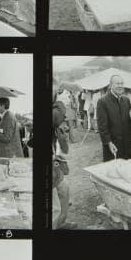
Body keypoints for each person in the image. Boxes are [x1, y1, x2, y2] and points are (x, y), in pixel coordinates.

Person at [96, 75, 131, 161]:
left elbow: (129, 123)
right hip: (113, 145)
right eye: (117, 83)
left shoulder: (126, 100)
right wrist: (108, 143)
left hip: (127, 145)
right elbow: (102, 126)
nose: (120, 86)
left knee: (128, 170)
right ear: (111, 85)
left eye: (122, 83)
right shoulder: (103, 102)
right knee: (113, 171)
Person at [52, 77, 72, 230]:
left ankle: (61, 222)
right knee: (57, 196)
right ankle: (57, 225)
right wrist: (59, 100)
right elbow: (57, 117)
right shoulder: (56, 106)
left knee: (63, 189)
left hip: (53, 154)